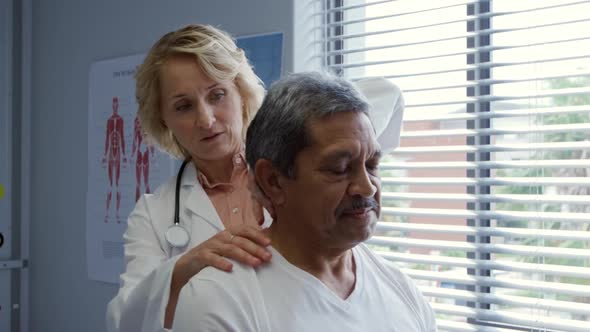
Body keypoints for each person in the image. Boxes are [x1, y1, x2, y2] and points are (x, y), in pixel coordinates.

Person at [173, 72, 437, 332]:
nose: (366, 187)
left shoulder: (402, 292)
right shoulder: (218, 302)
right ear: (273, 181)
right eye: (340, 168)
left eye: (371, 165)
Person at [106, 24, 272, 332]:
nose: (206, 120)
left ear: (242, 93)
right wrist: (183, 267)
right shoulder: (153, 214)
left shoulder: (292, 178)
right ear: (163, 120)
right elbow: (124, 322)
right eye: (183, 106)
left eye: (217, 95)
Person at [102, 96, 127, 223]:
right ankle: (107, 213)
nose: (115, 106)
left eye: (116, 104)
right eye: (114, 104)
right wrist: (104, 155)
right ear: (112, 106)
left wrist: (124, 155)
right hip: (111, 153)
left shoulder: (121, 120)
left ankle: (117, 214)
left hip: (118, 155)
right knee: (109, 185)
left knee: (117, 185)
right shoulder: (109, 121)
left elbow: (122, 137)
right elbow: (107, 138)